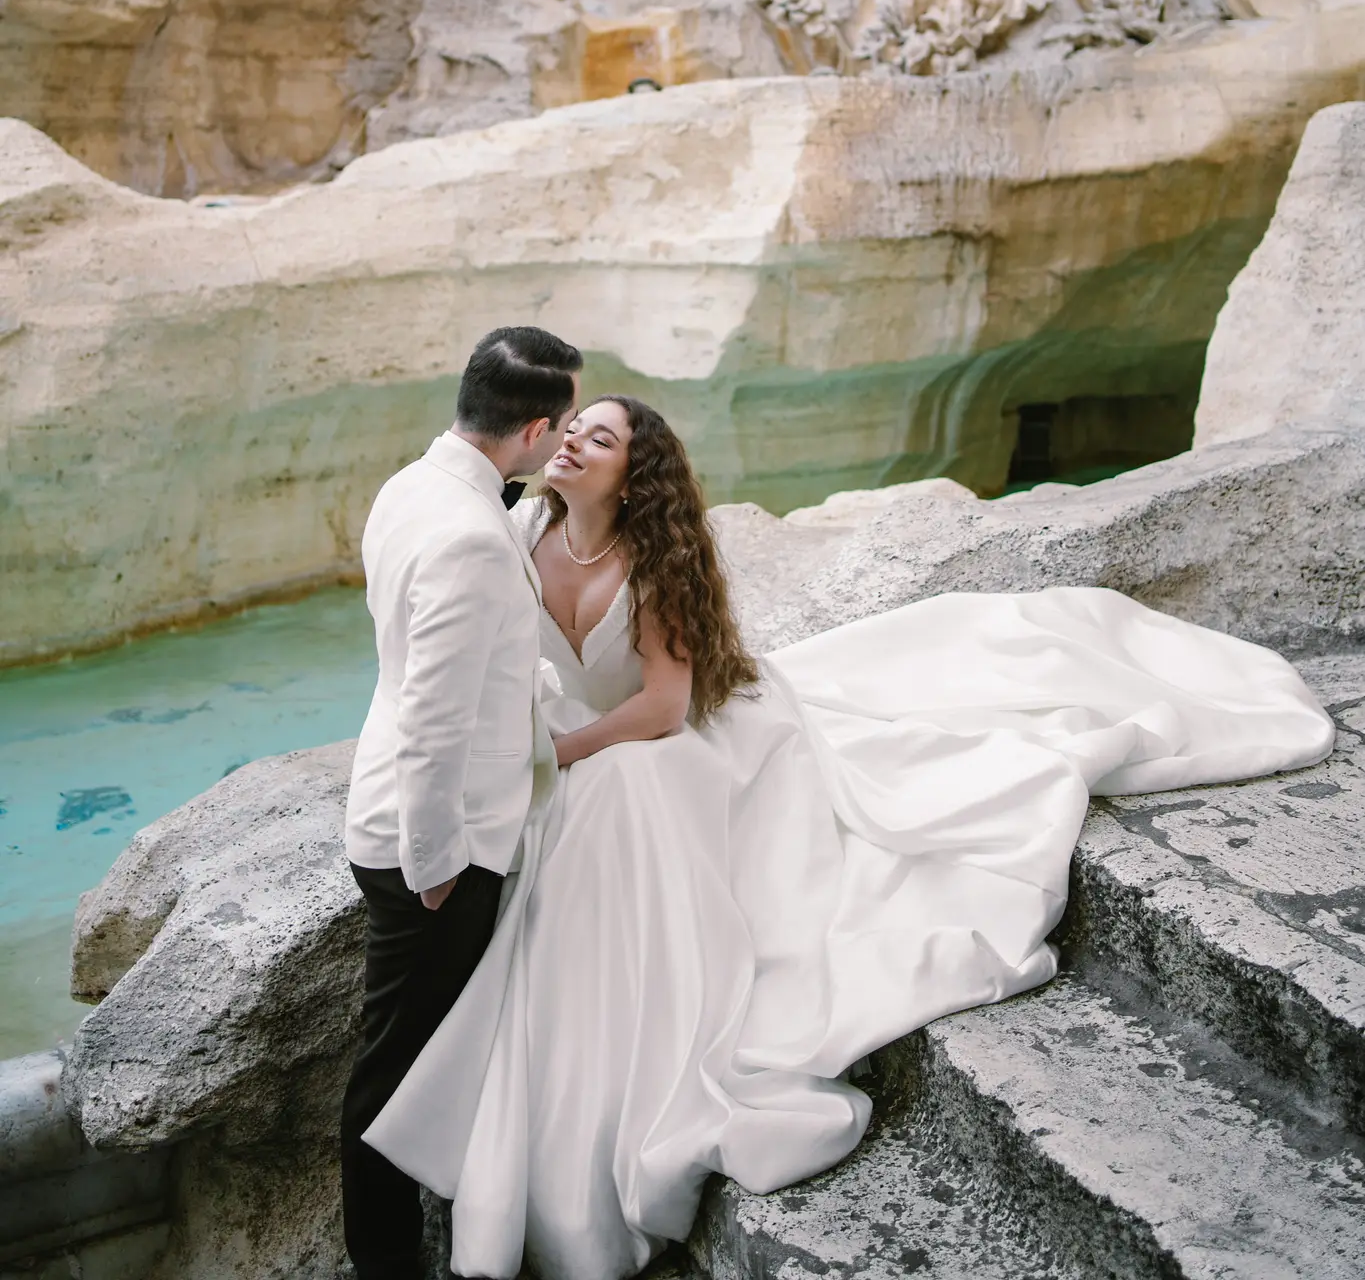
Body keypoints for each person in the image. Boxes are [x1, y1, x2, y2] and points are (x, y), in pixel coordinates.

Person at [365, 397, 1335, 1280]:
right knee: (593, 803)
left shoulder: (651, 560)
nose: (572, 439)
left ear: (634, 476)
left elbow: (663, 703)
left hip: (688, 733)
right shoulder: (521, 527)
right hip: (598, 740)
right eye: (574, 429)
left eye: (601, 437)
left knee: (620, 791)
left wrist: (565, 747)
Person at [340, 324, 582, 1280]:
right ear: (531, 429)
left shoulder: (412, 486)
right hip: (429, 846)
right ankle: (386, 1264)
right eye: (560, 427)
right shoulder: (471, 537)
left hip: (399, 814)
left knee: (408, 1064)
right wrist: (437, 869)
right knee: (391, 1076)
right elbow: (436, 724)